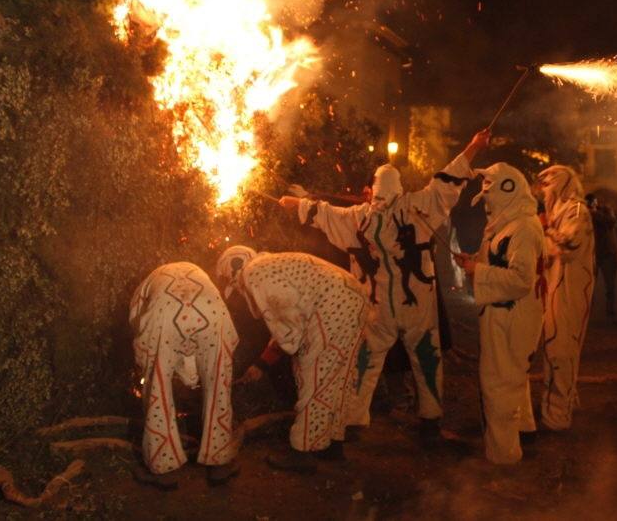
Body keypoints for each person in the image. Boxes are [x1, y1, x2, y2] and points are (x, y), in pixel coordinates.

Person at [277, 130, 489, 442]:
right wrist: (473, 146)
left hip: (379, 308)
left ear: (374, 189)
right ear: (399, 187)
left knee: (365, 361)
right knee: (427, 359)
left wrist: (294, 203)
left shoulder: (361, 217)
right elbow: (448, 180)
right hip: (418, 304)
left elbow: (322, 213)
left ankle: (351, 421)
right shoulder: (420, 205)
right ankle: (430, 420)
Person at [217, 246, 369, 473]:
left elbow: (289, 330)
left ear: (233, 270)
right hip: (353, 299)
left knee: (313, 376)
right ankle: (332, 445)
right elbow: (288, 322)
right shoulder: (270, 265)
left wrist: (286, 353)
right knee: (337, 377)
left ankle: (302, 451)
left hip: (332, 305)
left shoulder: (253, 273)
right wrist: (262, 364)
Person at [453, 163, 543, 464]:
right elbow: (495, 261)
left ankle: (504, 454)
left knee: (499, 384)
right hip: (500, 314)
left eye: (490, 197)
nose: (487, 203)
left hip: (511, 317)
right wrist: (473, 262)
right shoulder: (507, 225)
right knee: (512, 378)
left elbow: (521, 280)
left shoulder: (524, 229)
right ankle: (523, 430)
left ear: (508, 191)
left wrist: (477, 270)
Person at [129, 261, 239, 485]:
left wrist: (145, 364)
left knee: (157, 387)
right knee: (217, 384)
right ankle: (219, 462)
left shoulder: (146, 285)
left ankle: (163, 468)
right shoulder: (200, 273)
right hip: (213, 314)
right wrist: (192, 374)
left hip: (163, 316)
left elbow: (137, 324)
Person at [536, 165, 594, 431]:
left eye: (548, 185)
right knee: (553, 346)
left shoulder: (576, 211)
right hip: (554, 287)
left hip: (570, 289)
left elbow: (568, 246)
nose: (544, 191)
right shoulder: (558, 210)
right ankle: (559, 403)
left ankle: (558, 415)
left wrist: (544, 230)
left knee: (561, 348)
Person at [586, 193, 617, 319]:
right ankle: (588, 312)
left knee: (610, 285)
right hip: (593, 254)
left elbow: (611, 222)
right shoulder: (585, 215)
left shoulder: (605, 211)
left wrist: (594, 213)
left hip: (608, 252)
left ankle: (610, 312)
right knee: (590, 285)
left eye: (593, 202)